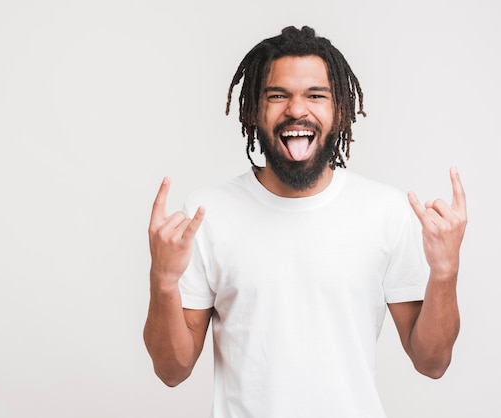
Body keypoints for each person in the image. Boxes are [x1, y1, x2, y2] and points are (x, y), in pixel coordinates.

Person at [144, 25, 467, 418]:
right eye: (278, 95)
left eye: (316, 95)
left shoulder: (387, 211)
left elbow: (432, 362)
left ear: (339, 110)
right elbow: (172, 370)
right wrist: (162, 282)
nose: (297, 109)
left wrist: (445, 272)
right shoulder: (206, 214)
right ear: (254, 111)